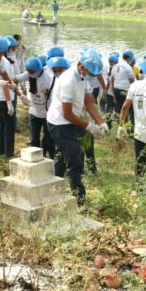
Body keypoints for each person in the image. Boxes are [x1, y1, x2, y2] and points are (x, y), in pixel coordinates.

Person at [47, 48, 108, 205]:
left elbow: (89, 102)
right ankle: (79, 200)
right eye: (87, 71)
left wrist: (101, 121)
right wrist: (89, 126)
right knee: (74, 161)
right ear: (80, 65)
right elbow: (66, 114)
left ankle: (54, 187)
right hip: (59, 123)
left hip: (71, 120)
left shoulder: (82, 77)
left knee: (63, 154)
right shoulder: (68, 80)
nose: (88, 75)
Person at [16, 57, 52, 150]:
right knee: (34, 138)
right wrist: (20, 95)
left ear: (40, 69)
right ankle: (35, 155)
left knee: (48, 138)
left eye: (33, 72)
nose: (31, 74)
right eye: (29, 71)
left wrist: (47, 94)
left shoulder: (48, 79)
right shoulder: (28, 74)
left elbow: (52, 97)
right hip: (33, 111)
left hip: (46, 113)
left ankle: (46, 155)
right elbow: (13, 80)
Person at [0, 36, 19, 158]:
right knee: (9, 127)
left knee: (0, 125)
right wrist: (9, 102)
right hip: (5, 98)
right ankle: (8, 153)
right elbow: (5, 83)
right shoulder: (5, 63)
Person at [110, 50, 136, 115]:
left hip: (116, 89)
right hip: (124, 91)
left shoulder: (115, 66)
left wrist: (113, 93)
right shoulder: (128, 67)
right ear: (129, 58)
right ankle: (128, 122)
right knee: (128, 108)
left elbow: (112, 80)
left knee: (118, 107)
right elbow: (132, 82)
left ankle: (119, 121)